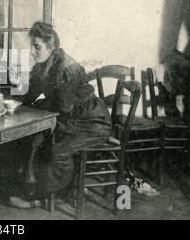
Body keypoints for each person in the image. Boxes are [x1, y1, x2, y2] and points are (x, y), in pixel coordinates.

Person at [7, 21, 112, 208]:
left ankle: (50, 198)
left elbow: (62, 108)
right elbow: (31, 94)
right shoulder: (44, 63)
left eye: (37, 47)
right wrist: (16, 85)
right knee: (35, 136)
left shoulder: (66, 68)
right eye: (32, 46)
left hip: (92, 122)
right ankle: (45, 189)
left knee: (55, 151)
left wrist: (37, 107)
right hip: (71, 119)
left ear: (51, 47)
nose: (32, 51)